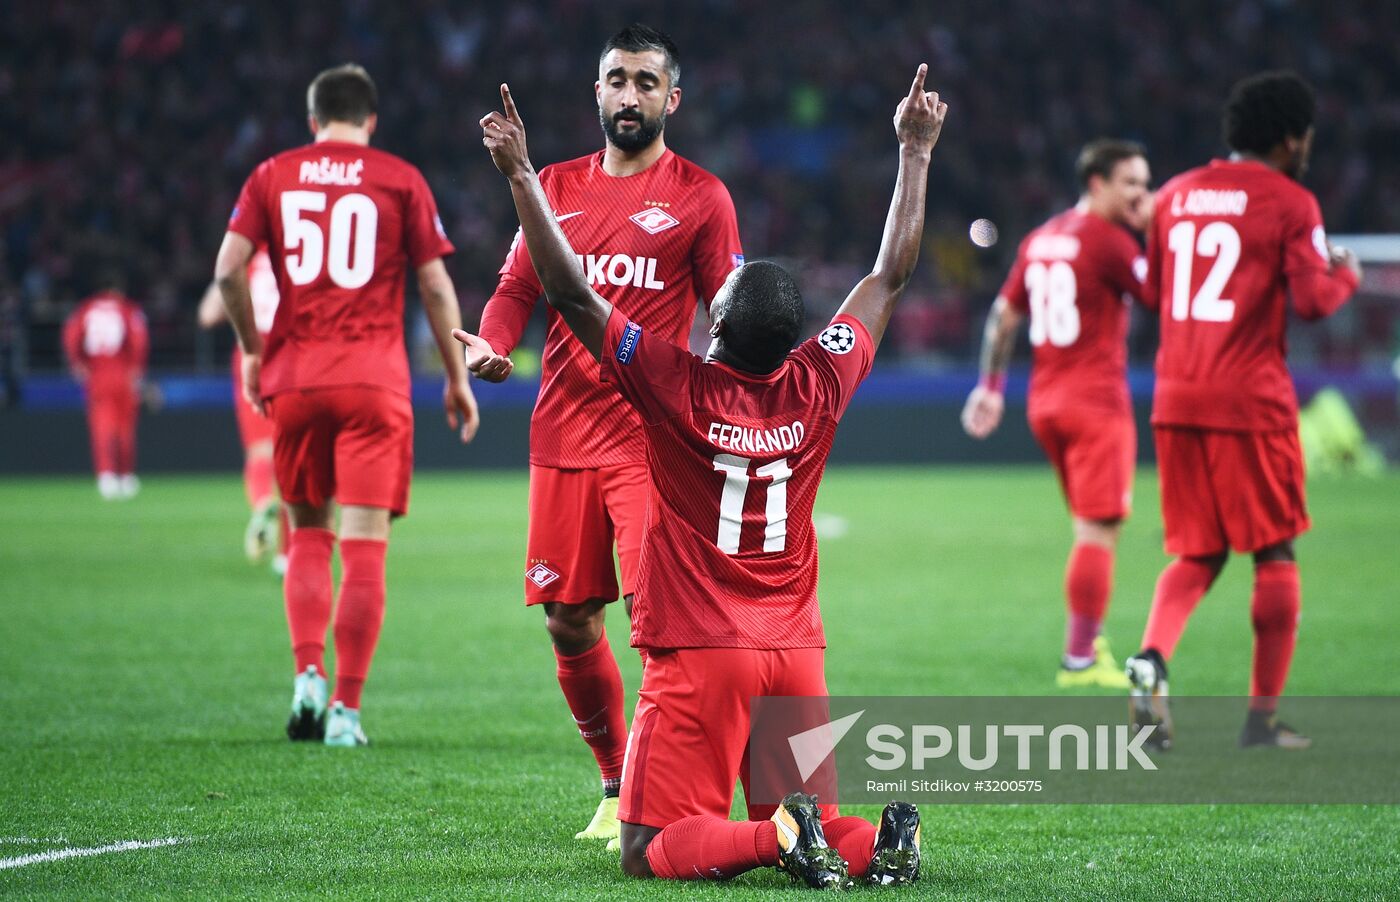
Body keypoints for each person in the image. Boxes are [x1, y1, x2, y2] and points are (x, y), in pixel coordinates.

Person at [460, 64, 945, 887]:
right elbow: (889, 275)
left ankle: (776, 841)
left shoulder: (673, 384)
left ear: (715, 318)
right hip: (795, 648)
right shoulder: (821, 380)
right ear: (799, 336)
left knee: (650, 846)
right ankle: (869, 840)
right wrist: (916, 153)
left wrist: (518, 177)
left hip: (701, 649)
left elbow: (574, 297)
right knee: (814, 818)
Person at [460, 24, 743, 842]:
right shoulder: (552, 185)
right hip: (562, 433)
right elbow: (519, 287)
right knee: (567, 619)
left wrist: (720, 403)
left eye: (646, 83)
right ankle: (616, 781)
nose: (629, 95)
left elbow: (726, 314)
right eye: (617, 79)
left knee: (662, 622)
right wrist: (492, 341)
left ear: (671, 99)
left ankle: (673, 792)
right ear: (596, 92)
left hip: (652, 441)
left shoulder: (702, 197)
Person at [214, 63, 480, 747]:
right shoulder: (399, 178)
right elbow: (436, 288)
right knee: (364, 551)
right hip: (373, 383)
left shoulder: (272, 174)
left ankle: (306, 674)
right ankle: (345, 711)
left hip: (297, 380)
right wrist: (456, 377)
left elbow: (225, 269)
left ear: (312, 121)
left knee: (308, 535)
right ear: (371, 120)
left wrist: (251, 350)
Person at [1125, 71, 1361, 749]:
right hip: (1249, 400)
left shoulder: (1172, 196)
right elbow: (1315, 303)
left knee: (1199, 550)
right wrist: (1345, 273)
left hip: (1177, 397)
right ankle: (1261, 721)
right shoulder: (1292, 203)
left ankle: (1151, 657)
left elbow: (1155, 294)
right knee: (1274, 550)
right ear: (1290, 140)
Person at [961, 140, 1152, 689]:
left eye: (1144, 184)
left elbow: (1003, 313)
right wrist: (1158, 230)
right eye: (1131, 183)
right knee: (1099, 532)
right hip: (1096, 404)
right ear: (1097, 183)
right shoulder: (1111, 242)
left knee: (1088, 528)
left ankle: (1088, 642)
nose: (1141, 194)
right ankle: (1080, 660)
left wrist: (991, 387)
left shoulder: (1041, 238)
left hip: (1046, 402)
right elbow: (1162, 297)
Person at [198, 248, 288, 574]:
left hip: (251, 357)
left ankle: (262, 501)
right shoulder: (300, 244)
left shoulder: (244, 254)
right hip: (293, 357)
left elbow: (208, 314)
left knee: (260, 452)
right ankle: (286, 556)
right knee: (294, 458)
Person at [63, 276, 149, 500]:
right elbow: (139, 339)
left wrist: (77, 363)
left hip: (97, 375)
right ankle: (126, 476)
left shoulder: (86, 308)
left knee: (102, 427)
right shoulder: (127, 308)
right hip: (122, 373)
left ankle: (106, 475)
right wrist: (137, 369)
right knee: (125, 429)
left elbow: (71, 335)